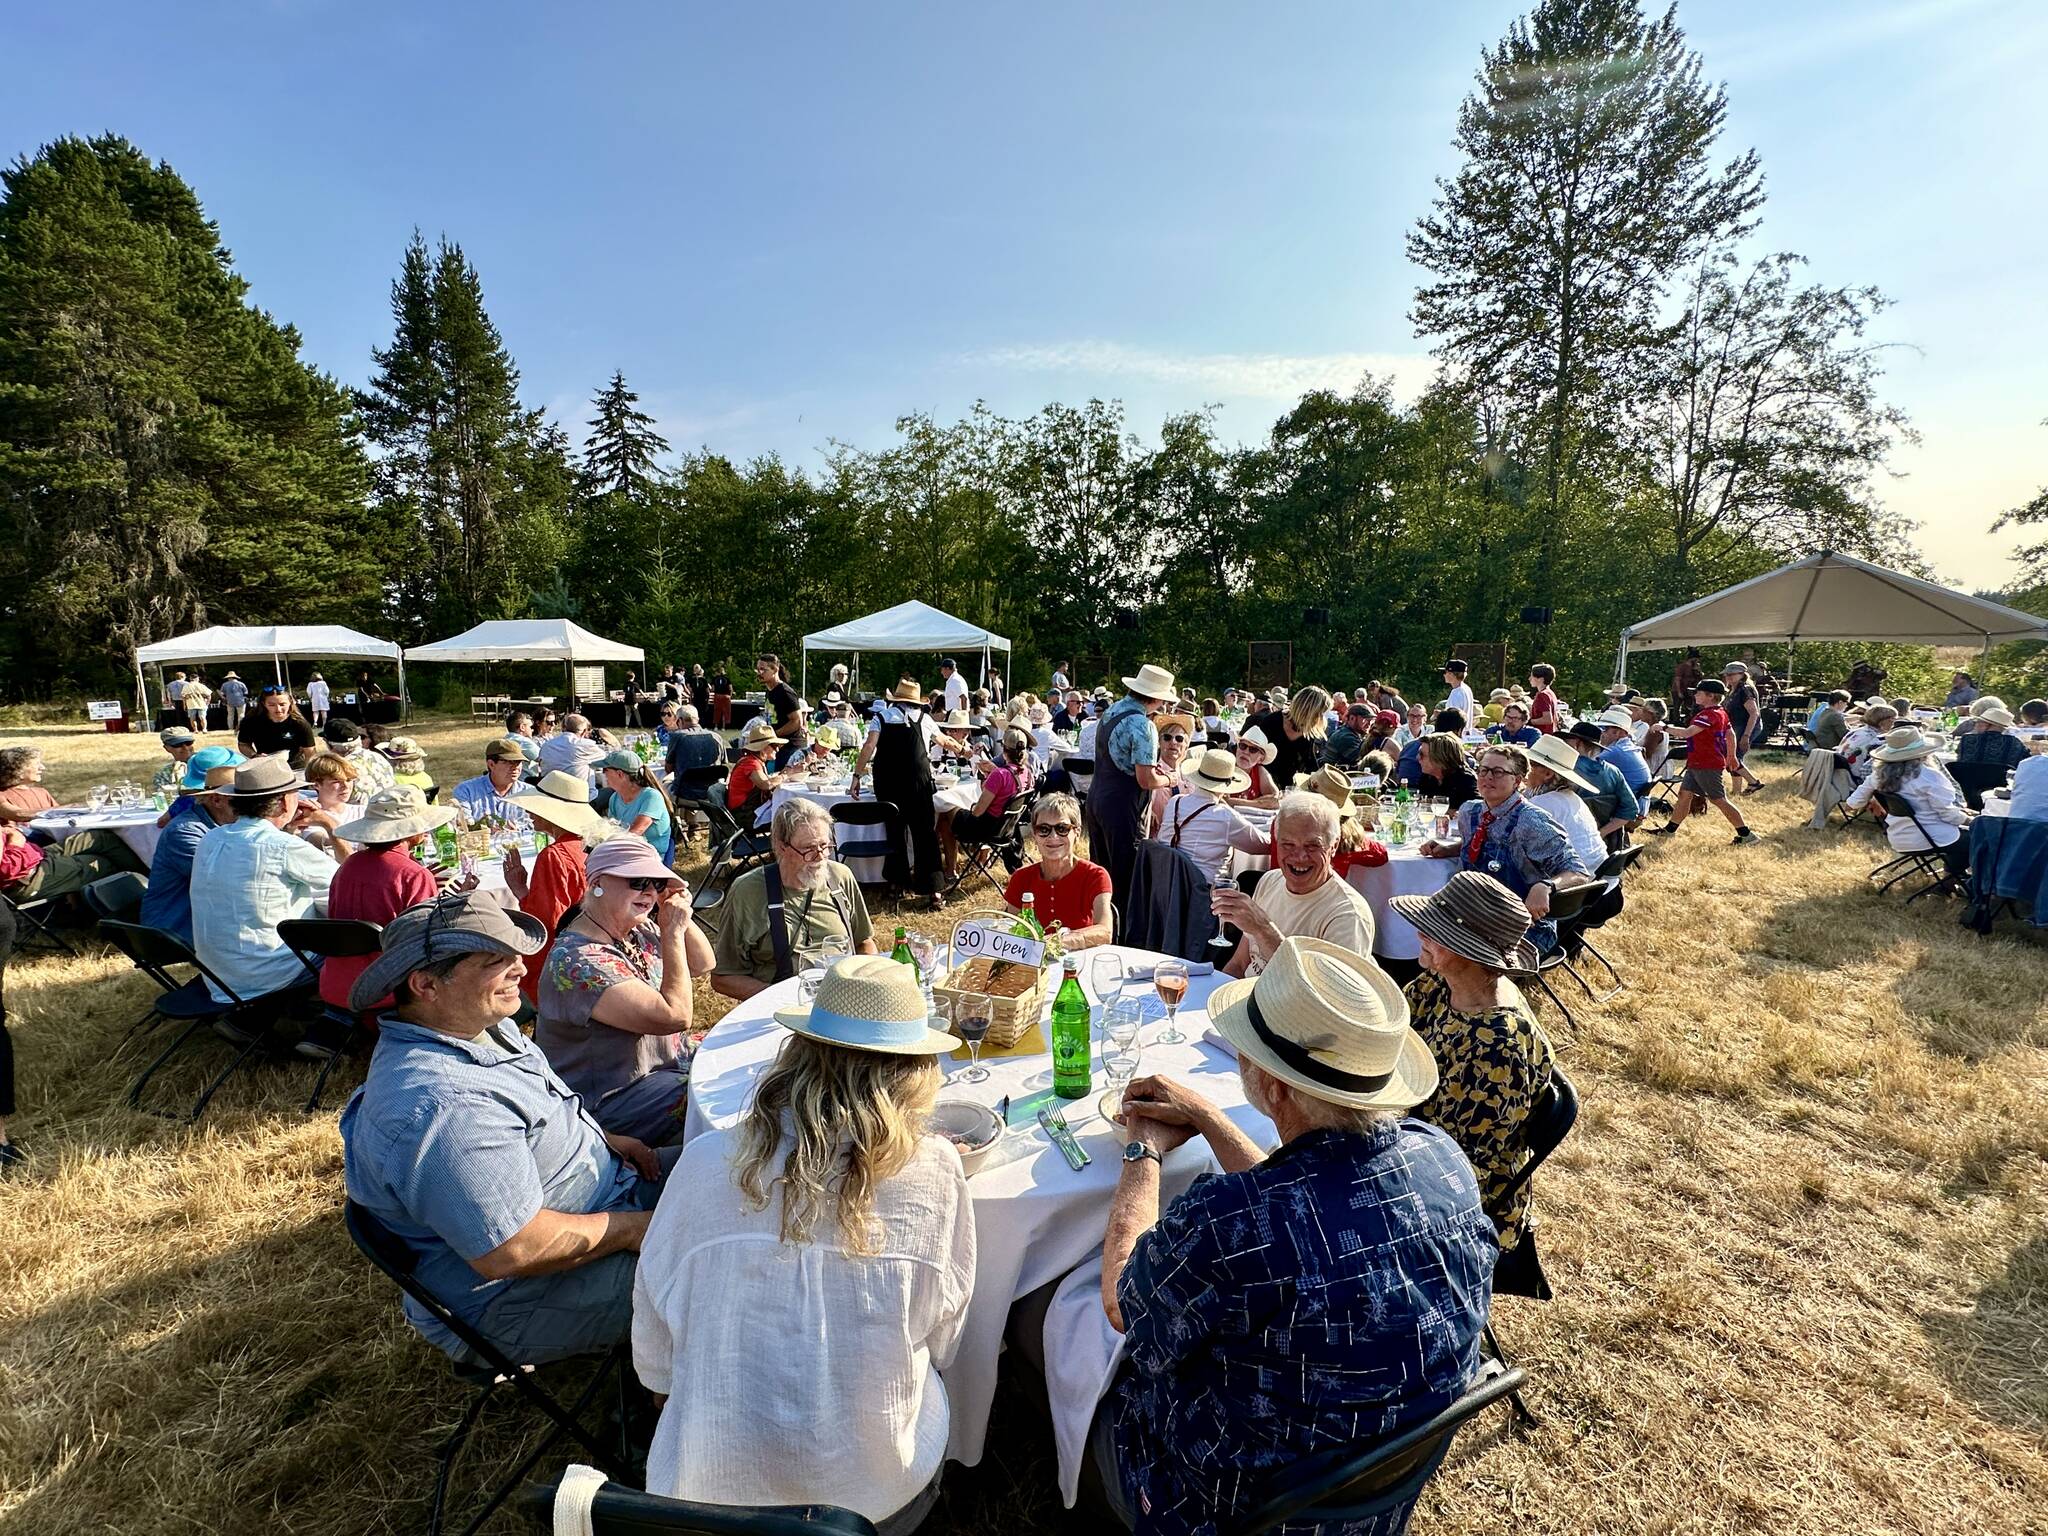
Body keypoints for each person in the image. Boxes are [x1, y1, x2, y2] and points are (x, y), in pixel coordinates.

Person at [1079, 936, 1493, 1534]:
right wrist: (1206, 1116)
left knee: (1067, 1331)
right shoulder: (1444, 1162)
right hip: (1373, 1500)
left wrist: (1142, 1150)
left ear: (1273, 1088)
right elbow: (1307, 1212)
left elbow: (1124, 1301)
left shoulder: (1228, 1221)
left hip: (1228, 1511)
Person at [633, 955, 968, 1529]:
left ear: (798, 1054)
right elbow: (944, 1340)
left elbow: (654, 1337)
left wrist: (672, 1393)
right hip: (876, 1497)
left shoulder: (707, 1160)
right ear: (916, 1070)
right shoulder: (936, 1170)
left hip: (709, 1493)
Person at [341, 892, 672, 1365]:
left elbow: (535, 1118)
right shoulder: (445, 1107)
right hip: (515, 1297)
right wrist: (638, 1229)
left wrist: (602, 1141)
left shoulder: (479, 1024)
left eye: (515, 952)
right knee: (725, 1269)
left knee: (740, 1161)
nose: (521, 968)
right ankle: (670, 1407)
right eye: (496, 960)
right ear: (426, 985)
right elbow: (512, 1249)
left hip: (603, 1196)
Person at [1391, 872, 1556, 1254]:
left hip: (1462, 1204)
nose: (1419, 933)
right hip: (1413, 1142)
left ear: (1471, 951)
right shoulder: (1439, 982)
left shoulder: (1498, 1047)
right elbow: (1389, 1033)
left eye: (1434, 930)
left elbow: (1455, 1169)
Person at [536, 834, 710, 1145]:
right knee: (725, 1095)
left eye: (656, 883)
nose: (649, 891)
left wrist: (674, 912)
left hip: (662, 1066)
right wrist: (672, 932)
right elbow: (675, 1016)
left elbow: (702, 964)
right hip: (611, 1100)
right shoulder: (578, 961)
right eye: (638, 880)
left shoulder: (636, 928)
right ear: (598, 883)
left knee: (739, 1057)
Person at [315, 787, 462, 1049]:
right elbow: (426, 940)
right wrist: (454, 902)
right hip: (388, 984)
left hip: (338, 981)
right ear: (410, 831)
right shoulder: (413, 875)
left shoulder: (348, 865)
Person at [189, 756, 338, 1005]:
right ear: (283, 801)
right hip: (269, 975)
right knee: (361, 943)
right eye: (295, 794)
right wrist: (332, 826)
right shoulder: (282, 847)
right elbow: (352, 886)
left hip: (219, 976)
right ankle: (334, 1023)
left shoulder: (211, 839)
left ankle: (250, 1021)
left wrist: (287, 830)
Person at [1423, 744, 1591, 949]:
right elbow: (1482, 843)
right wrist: (1451, 848)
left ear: (1517, 781)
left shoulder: (1531, 821)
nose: (1488, 777)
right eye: (1483, 770)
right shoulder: (1470, 812)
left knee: (1444, 948)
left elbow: (1578, 872)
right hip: (1472, 914)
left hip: (1520, 927)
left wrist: (1546, 886)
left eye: (1499, 772)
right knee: (1423, 927)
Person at [710, 798, 879, 1000]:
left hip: (843, 998)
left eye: (825, 846)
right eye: (809, 849)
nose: (820, 857)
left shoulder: (839, 877)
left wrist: (866, 984)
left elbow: (864, 943)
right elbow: (723, 977)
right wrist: (782, 997)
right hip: (778, 1008)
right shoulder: (747, 891)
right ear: (782, 847)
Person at [1211, 791, 1375, 976]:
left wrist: (1263, 929)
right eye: (1288, 845)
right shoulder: (1270, 881)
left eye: (1312, 846)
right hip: (1246, 998)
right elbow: (1240, 964)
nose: (1299, 857)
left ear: (1334, 846)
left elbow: (1324, 994)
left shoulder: (1347, 914)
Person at [852, 680, 970, 910]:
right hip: (918, 782)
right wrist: (963, 749)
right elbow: (944, 741)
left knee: (895, 833)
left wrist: (857, 776)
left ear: (896, 699)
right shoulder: (924, 719)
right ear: (916, 701)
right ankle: (934, 890)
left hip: (889, 782)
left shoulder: (882, 717)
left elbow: (869, 746)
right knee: (925, 835)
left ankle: (897, 884)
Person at [1084, 664, 1181, 931]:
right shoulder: (1143, 725)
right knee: (1125, 876)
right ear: (1156, 697)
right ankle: (1123, 934)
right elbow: (1146, 779)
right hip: (1123, 804)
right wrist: (1169, 779)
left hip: (1097, 796)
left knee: (1101, 870)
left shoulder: (1111, 711)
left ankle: (1099, 925)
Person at [141, 750, 244, 946]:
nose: (256, 802)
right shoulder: (185, 832)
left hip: (212, 921)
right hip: (177, 929)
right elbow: (233, 879)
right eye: (245, 796)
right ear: (216, 800)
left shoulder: (226, 823)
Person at [1847, 728, 1972, 881]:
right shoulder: (1930, 777)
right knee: (1980, 838)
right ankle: (1953, 879)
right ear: (1924, 753)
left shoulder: (1878, 776)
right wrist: (1970, 820)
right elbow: (1948, 814)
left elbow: (1853, 803)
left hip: (1899, 836)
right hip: (1933, 838)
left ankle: (1951, 878)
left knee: (1967, 836)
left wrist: (1876, 799)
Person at [999, 791, 1114, 949]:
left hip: (1077, 965)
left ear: (1077, 833)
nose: (1053, 837)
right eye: (1044, 829)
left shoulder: (1095, 876)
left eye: (1062, 828)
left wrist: (1057, 942)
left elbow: (1105, 932)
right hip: (1033, 967)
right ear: (1034, 835)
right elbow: (1010, 930)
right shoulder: (1021, 878)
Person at [1652, 678, 1757, 844]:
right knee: (1684, 796)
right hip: (1697, 763)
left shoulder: (1709, 715)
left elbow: (1687, 733)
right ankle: (1670, 830)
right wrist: (1731, 756)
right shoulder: (1720, 712)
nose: (1695, 695)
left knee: (1719, 800)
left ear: (1710, 696)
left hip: (1706, 764)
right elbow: (1730, 734)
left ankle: (1746, 835)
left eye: (1698, 692)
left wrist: (1664, 727)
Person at [1152, 749, 1270, 886]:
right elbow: (1265, 845)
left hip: (1163, 885)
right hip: (1201, 893)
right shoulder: (1225, 817)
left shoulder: (1175, 802)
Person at [938, 727, 1029, 881]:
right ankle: (976, 861)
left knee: (946, 812)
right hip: (1006, 828)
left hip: (987, 829)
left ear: (1004, 749)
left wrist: (971, 806)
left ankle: (950, 869)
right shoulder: (1027, 772)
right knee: (951, 811)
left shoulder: (1000, 775)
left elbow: (977, 812)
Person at [1523, 737, 1611, 872]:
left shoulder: (1541, 803)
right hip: (1599, 874)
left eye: (1529, 765)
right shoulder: (1571, 797)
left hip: (1577, 880)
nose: (1524, 771)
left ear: (1547, 774)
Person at [1563, 719, 1642, 843]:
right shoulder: (1613, 772)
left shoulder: (1565, 770)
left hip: (1568, 838)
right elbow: (1631, 809)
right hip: (1604, 842)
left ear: (1577, 744)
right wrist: (1601, 833)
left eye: (1566, 742)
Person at [600, 750, 676, 863]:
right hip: (626, 853)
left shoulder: (651, 797)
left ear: (620, 774)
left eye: (605, 770)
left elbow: (635, 832)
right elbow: (612, 829)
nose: (603, 774)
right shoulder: (615, 798)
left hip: (649, 858)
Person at [1244, 687, 1328, 786]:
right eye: (1320, 713)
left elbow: (1310, 762)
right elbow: (1252, 754)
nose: (1321, 718)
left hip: (1289, 785)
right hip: (1263, 780)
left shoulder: (1309, 731)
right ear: (1308, 710)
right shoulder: (1272, 722)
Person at [448, 737, 534, 832]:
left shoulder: (530, 793)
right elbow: (463, 826)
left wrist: (518, 830)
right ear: (491, 764)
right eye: (508, 762)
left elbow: (539, 827)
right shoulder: (466, 791)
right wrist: (483, 829)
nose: (515, 767)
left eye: (518, 762)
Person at [726, 718, 790, 821]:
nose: (777, 749)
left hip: (748, 810)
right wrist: (786, 775)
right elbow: (766, 784)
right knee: (786, 818)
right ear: (763, 748)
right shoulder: (751, 763)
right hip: (744, 815)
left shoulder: (753, 760)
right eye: (774, 745)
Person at [298, 753, 360, 857]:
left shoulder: (364, 812)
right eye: (336, 781)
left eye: (349, 780)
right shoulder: (309, 818)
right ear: (316, 785)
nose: (346, 786)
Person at [237, 685, 318, 762]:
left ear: (291, 702)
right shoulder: (251, 721)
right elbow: (243, 744)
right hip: (265, 764)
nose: (278, 709)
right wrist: (254, 755)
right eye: (272, 705)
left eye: (282, 704)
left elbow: (310, 753)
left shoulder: (300, 723)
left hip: (295, 765)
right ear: (263, 704)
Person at [756, 654, 809, 767]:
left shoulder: (785, 692)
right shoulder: (769, 691)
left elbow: (796, 721)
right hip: (777, 747)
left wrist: (774, 734)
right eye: (758, 669)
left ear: (775, 669)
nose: (759, 673)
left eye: (763, 669)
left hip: (791, 747)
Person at [1720, 662, 1764, 793]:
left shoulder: (1745, 689)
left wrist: (1746, 735)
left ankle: (1753, 782)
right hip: (1736, 727)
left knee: (1732, 756)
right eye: (1727, 674)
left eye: (1732, 674)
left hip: (1745, 726)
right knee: (1733, 756)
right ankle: (1737, 790)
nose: (1728, 676)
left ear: (1742, 675)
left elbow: (1753, 713)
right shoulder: (1733, 690)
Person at [1594, 707, 1652, 797]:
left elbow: (1588, 768)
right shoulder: (1627, 745)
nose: (1601, 733)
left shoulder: (1616, 751)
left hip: (1625, 804)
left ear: (1616, 732)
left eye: (1603, 728)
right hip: (1636, 800)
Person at [539, 712, 609, 787]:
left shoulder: (546, 746)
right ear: (584, 732)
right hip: (578, 795)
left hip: (548, 791)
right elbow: (607, 758)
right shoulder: (584, 746)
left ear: (564, 728)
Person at [1414, 732, 1480, 807]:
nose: (1418, 758)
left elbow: (1476, 809)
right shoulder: (1428, 777)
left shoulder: (1465, 779)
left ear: (1439, 758)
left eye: (1422, 755)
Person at [1956, 707, 2027, 776]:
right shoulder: (2015, 743)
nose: (1976, 725)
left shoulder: (1967, 739)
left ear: (1987, 724)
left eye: (1978, 722)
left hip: (1967, 783)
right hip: (2001, 784)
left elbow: (1959, 761)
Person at [1227, 725, 1280, 806]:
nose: (1246, 752)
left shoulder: (1259, 771)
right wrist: (1259, 803)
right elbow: (1221, 801)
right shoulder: (1225, 766)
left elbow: (1275, 797)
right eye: (1243, 746)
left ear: (1260, 759)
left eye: (1253, 749)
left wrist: (1240, 803)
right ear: (1237, 748)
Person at [151, 726, 198, 797]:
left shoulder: (210, 763)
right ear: (167, 748)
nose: (185, 748)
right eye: (178, 744)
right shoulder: (163, 775)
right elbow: (164, 800)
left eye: (188, 743)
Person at [1525, 662, 1560, 735]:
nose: (1529, 679)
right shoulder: (1551, 693)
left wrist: (1529, 721)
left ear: (1540, 679)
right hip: (1550, 733)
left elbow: (1547, 719)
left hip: (1542, 734)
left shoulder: (1542, 695)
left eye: (1532, 676)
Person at [1671, 648, 1705, 714]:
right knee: (1677, 706)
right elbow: (1677, 679)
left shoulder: (1696, 667)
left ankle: (1687, 718)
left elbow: (1700, 677)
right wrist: (1679, 692)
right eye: (1696, 659)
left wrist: (1698, 671)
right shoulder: (1682, 666)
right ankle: (1676, 720)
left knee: (1690, 705)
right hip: (1679, 689)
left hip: (1689, 689)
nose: (1697, 660)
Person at [218, 672, 248, 736]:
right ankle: (240, 728)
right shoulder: (241, 684)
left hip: (230, 702)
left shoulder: (224, 684)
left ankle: (230, 728)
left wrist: (224, 698)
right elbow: (246, 692)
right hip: (240, 701)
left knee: (230, 716)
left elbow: (222, 693)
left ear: (228, 678)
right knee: (241, 715)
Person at [708, 661, 734, 729]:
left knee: (717, 711)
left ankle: (716, 726)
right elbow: (730, 688)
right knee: (725, 712)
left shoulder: (714, 679)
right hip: (726, 696)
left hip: (718, 696)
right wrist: (730, 696)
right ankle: (723, 727)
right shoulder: (727, 679)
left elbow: (712, 689)